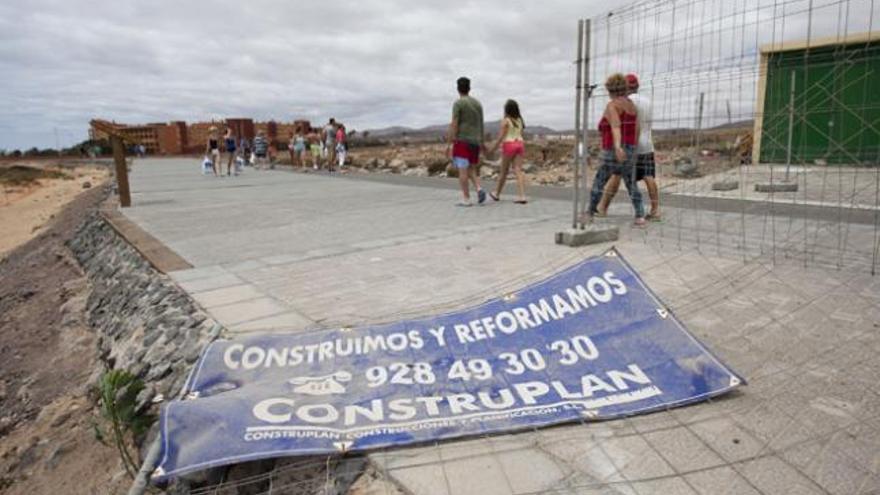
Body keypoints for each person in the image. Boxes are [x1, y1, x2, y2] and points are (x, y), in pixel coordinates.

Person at [598, 74, 660, 220]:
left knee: (616, 175)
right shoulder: (648, 102)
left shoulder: (626, 102)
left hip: (630, 144)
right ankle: (655, 210)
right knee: (648, 176)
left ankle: (602, 208)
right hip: (647, 145)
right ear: (637, 86)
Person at [589, 73, 645, 225]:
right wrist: (632, 146)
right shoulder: (632, 106)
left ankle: (589, 212)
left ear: (609, 90)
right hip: (630, 148)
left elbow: (615, 125)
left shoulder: (612, 105)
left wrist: (618, 146)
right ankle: (640, 215)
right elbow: (638, 128)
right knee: (631, 183)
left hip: (612, 149)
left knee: (599, 181)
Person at [447, 76, 486, 206]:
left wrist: (449, 142)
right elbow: (481, 123)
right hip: (475, 141)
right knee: (472, 169)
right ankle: (479, 188)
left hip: (462, 141)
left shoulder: (458, 103)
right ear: (469, 88)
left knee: (462, 170)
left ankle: (466, 199)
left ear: (458, 89)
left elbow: (455, 123)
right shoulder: (478, 104)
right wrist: (482, 141)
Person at [490, 99, 528, 204]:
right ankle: (522, 196)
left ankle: (496, 193)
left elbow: (501, 137)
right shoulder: (520, 120)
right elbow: (520, 133)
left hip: (509, 145)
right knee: (518, 170)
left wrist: (493, 149)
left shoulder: (506, 121)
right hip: (520, 144)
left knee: (504, 171)